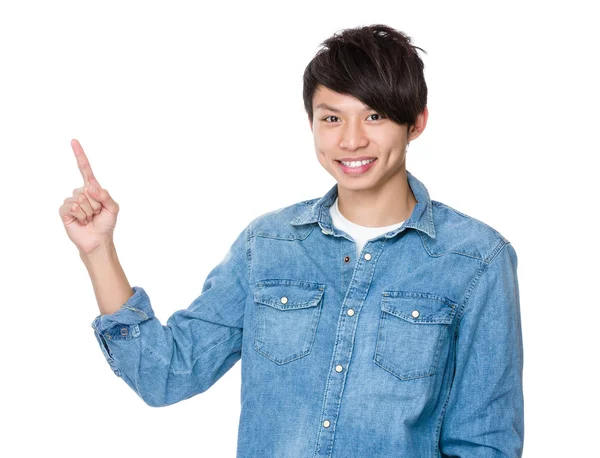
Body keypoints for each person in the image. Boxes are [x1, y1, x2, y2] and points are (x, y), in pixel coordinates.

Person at [59, 23, 524, 458]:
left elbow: (484, 441)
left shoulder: (476, 260)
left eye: (375, 115)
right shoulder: (268, 245)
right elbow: (166, 374)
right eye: (331, 118)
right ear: (312, 124)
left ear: (415, 123)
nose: (352, 140)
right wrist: (99, 251)